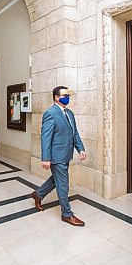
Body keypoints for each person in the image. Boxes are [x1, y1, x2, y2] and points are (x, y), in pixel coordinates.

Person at [31, 86, 87, 227]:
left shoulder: (70, 113)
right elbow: (46, 137)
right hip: (56, 156)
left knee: (56, 180)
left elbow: (75, 133)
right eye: (64, 95)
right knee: (63, 184)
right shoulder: (50, 113)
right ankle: (67, 214)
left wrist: (80, 148)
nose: (67, 97)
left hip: (66, 154)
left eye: (68, 95)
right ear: (57, 97)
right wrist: (45, 158)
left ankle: (38, 194)